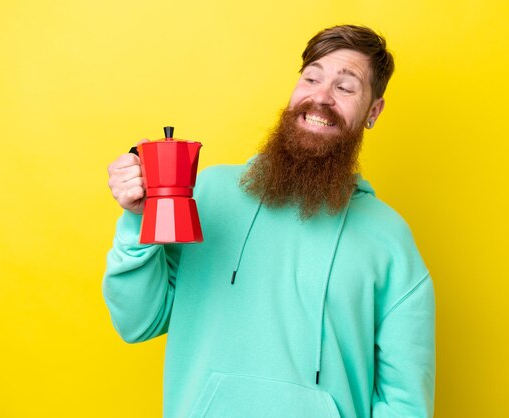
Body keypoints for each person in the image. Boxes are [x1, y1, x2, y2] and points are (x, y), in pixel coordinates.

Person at [104, 25, 435, 418]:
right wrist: (137, 220)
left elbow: (406, 401)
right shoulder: (207, 194)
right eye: (311, 78)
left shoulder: (388, 237)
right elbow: (137, 322)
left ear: (373, 112)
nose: (320, 98)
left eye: (345, 88)